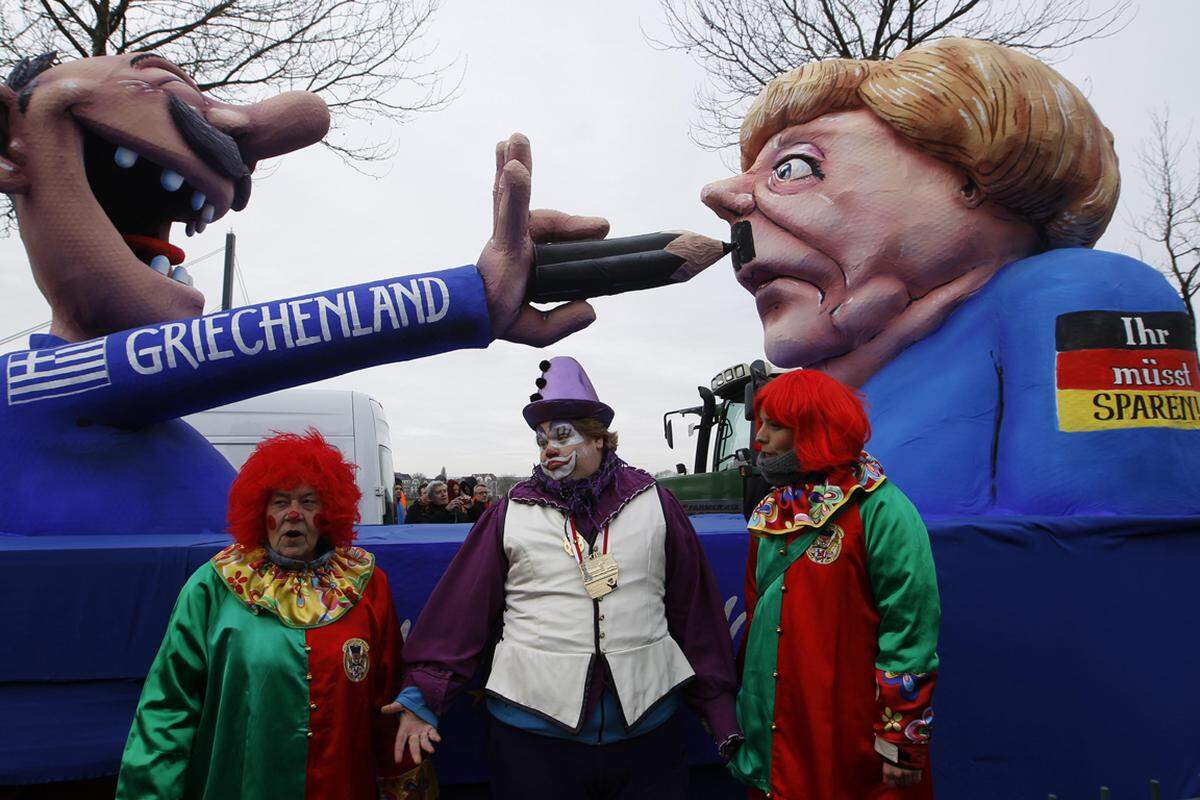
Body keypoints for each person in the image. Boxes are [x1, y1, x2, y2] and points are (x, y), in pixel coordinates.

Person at [699, 37, 1200, 517]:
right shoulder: (848, 380)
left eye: (792, 168)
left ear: (969, 179)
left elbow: (1109, 555)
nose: (722, 195)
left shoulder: (1085, 296)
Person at [384, 356, 741, 799]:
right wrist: (424, 697)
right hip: (532, 740)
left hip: (647, 736)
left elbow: (695, 613)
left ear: (599, 440)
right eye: (541, 439)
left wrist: (718, 707)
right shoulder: (509, 512)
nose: (548, 448)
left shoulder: (657, 504)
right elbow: (461, 611)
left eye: (562, 434)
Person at [116, 430, 434, 799]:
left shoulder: (367, 586)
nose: (293, 514)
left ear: (329, 511)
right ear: (260, 511)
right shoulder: (213, 587)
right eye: (280, 502)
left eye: (309, 501)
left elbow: (387, 696)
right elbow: (168, 706)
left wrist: (403, 784)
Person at [729, 370, 939, 799]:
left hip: (851, 736)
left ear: (813, 430)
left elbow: (909, 630)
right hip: (780, 735)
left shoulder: (881, 509)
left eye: (774, 425)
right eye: (760, 423)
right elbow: (756, 627)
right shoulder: (772, 510)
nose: (758, 439)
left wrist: (900, 741)